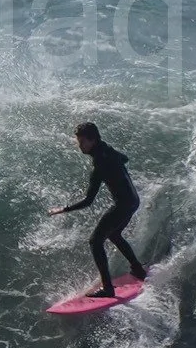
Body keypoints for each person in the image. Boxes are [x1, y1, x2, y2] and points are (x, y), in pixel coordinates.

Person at [50, 121, 147, 297]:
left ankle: (108, 289)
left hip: (123, 205)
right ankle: (138, 270)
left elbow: (88, 201)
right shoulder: (107, 150)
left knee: (95, 242)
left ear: (92, 140)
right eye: (78, 142)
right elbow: (124, 158)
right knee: (114, 234)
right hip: (133, 200)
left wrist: (63, 209)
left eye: (82, 142)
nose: (79, 146)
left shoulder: (99, 165)